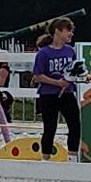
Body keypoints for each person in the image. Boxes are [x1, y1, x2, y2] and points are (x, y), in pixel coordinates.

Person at [32, 18, 81, 159]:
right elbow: (38, 75)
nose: (71, 34)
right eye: (68, 31)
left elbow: (75, 70)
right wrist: (57, 83)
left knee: (75, 124)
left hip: (67, 93)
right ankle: (46, 157)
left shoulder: (70, 51)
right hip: (48, 95)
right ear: (57, 31)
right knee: (50, 127)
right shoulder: (44, 53)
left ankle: (72, 157)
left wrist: (82, 76)